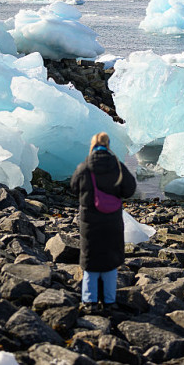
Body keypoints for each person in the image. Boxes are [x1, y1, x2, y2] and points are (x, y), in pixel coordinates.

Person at [70, 132, 136, 313]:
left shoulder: (84, 167)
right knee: (110, 259)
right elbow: (130, 189)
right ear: (108, 145)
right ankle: (109, 301)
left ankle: (89, 301)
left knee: (90, 258)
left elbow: (74, 187)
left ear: (92, 145)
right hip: (112, 220)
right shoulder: (117, 166)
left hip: (89, 220)